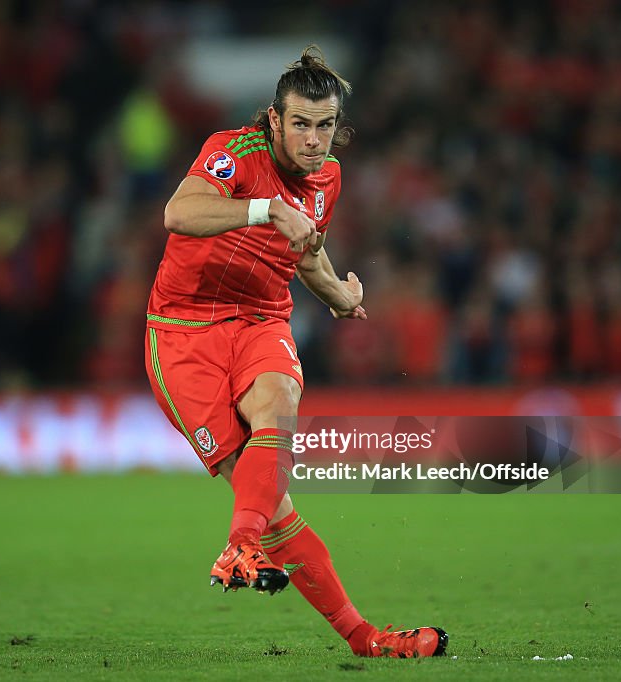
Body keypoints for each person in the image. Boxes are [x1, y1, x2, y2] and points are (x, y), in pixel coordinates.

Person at [144, 46, 448, 659]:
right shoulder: (234, 152)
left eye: (326, 126)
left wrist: (338, 294)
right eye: (301, 125)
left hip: (261, 320)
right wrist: (267, 208)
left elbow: (305, 250)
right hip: (184, 332)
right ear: (274, 121)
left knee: (280, 402)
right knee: (275, 510)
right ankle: (360, 635)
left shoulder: (329, 179)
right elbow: (179, 212)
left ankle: (240, 551)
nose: (314, 140)